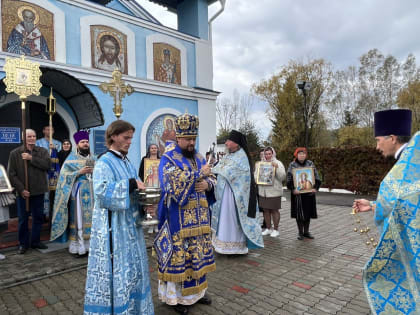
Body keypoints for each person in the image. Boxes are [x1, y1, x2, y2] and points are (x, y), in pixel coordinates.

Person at [352, 109, 419, 315]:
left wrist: (375, 206)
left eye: (379, 139)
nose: (377, 146)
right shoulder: (411, 160)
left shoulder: (406, 165)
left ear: (392, 138)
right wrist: (372, 205)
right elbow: (402, 201)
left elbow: (395, 198)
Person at [84, 120, 153, 315]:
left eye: (131, 137)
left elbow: (136, 188)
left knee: (133, 272)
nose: (130, 141)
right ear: (113, 136)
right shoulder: (104, 162)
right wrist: (131, 184)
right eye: (126, 137)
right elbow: (101, 193)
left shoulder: (127, 162)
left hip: (132, 228)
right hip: (115, 231)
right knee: (119, 273)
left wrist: (146, 202)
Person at [156, 112, 216, 315]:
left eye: (194, 139)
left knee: (197, 255)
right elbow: (170, 183)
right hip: (177, 220)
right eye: (188, 139)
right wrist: (200, 175)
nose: (192, 143)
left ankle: (198, 293)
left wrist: (208, 184)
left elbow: (212, 178)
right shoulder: (168, 158)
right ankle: (177, 299)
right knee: (181, 258)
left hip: (199, 220)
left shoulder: (198, 157)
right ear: (178, 137)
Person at [211, 130, 264, 255]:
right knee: (224, 218)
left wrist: (214, 169)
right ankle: (223, 245)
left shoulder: (242, 156)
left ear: (237, 143)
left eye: (229, 141)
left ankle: (236, 247)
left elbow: (233, 173)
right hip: (225, 194)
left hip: (234, 195)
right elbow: (222, 167)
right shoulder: (229, 155)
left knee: (233, 219)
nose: (227, 143)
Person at [50, 131, 95, 256]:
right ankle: (78, 246)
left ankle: (90, 246)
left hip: (93, 193)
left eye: (86, 142)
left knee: (92, 220)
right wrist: (79, 172)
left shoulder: (93, 157)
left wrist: (94, 171)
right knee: (79, 220)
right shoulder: (71, 159)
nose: (85, 144)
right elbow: (64, 177)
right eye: (83, 142)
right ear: (77, 144)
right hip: (79, 193)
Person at [7, 129, 51, 254]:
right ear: (23, 138)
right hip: (23, 193)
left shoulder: (42, 151)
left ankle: (35, 241)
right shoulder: (15, 153)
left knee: (38, 218)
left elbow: (47, 165)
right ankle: (23, 243)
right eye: (29, 136)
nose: (32, 138)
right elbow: (12, 174)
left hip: (38, 191)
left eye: (34, 136)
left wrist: (31, 158)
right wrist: (21, 189)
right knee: (23, 219)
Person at [286, 147, 321, 240]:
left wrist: (315, 188)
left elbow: (316, 176)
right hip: (298, 194)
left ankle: (306, 232)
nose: (302, 155)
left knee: (308, 213)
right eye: (300, 154)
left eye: (303, 154)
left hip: (309, 194)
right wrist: (293, 189)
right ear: (296, 155)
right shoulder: (292, 165)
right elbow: (289, 179)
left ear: (306, 155)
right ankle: (300, 233)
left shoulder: (310, 163)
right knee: (299, 214)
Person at [257, 147, 286, 237]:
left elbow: (282, 177)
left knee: (274, 210)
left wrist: (276, 168)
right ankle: (268, 228)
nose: (268, 155)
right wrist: (258, 177)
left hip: (274, 192)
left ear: (273, 154)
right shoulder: (260, 164)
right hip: (263, 192)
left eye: (270, 154)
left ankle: (276, 230)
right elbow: (255, 176)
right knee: (265, 210)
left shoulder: (278, 163)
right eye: (266, 154)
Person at [36, 125, 61, 220]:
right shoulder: (38, 142)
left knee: (53, 193)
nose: (49, 131)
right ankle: (43, 214)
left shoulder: (58, 143)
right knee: (43, 193)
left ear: (54, 131)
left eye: (51, 129)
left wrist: (54, 149)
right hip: (42, 172)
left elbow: (61, 156)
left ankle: (52, 213)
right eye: (47, 129)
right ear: (43, 131)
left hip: (54, 173)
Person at [138, 143, 160, 233]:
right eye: (152, 148)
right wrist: (145, 181)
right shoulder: (145, 160)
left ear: (157, 150)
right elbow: (141, 172)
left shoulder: (161, 160)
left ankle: (156, 224)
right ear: (149, 150)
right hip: (148, 185)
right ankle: (151, 224)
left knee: (157, 205)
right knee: (149, 206)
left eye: (155, 148)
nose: (154, 149)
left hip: (158, 186)